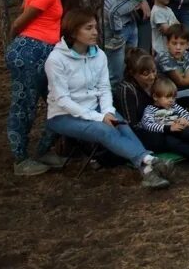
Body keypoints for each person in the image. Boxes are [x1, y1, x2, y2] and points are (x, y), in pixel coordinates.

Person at [44, 10, 173, 189]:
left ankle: (148, 172)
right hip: (63, 115)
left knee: (122, 125)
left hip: (96, 108)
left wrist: (107, 111)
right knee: (104, 130)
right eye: (88, 28)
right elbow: (63, 100)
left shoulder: (99, 55)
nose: (95, 32)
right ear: (73, 32)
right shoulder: (56, 60)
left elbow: (104, 89)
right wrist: (100, 117)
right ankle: (149, 159)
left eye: (95, 27)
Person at [6, 0, 78, 176]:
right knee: (24, 106)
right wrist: (17, 47)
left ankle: (44, 150)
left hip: (47, 52)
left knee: (58, 100)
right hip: (31, 51)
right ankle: (20, 159)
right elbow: (19, 23)